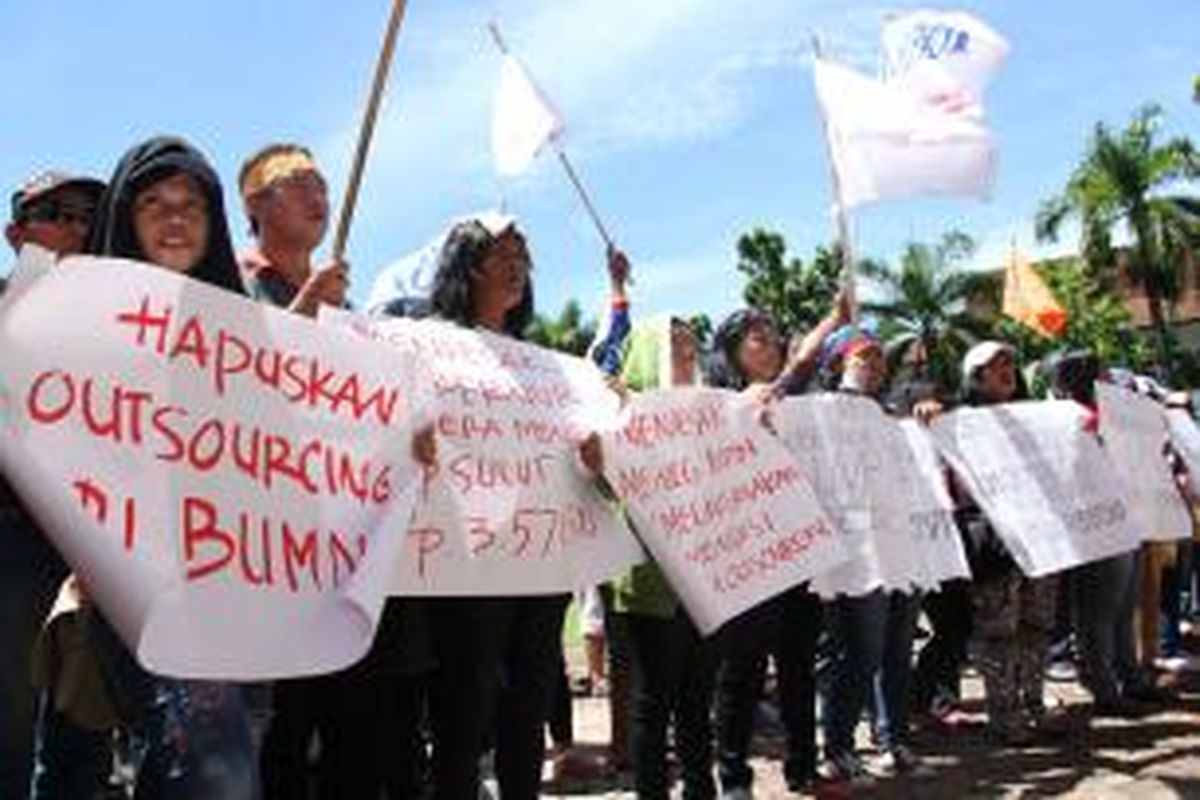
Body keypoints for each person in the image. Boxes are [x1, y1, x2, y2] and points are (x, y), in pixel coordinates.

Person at [239, 141, 434, 799]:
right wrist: (304, 315)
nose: (319, 196)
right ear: (256, 205)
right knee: (284, 734)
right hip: (271, 555)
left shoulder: (349, 317)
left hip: (344, 552)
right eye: (298, 184)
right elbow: (233, 389)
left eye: (323, 184)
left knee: (357, 730)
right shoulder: (233, 282)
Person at [86, 135, 257, 799]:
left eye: (192, 203)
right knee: (217, 763)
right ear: (124, 219)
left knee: (209, 756)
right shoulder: (81, 326)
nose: (175, 216)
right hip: (142, 587)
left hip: (244, 584)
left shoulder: (252, 340)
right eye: (154, 202)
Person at [421, 213, 576, 800]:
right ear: (466, 266)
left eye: (523, 256)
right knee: (464, 707)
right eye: (500, 253)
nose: (516, 266)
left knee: (527, 703)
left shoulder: (546, 368)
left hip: (538, 558)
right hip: (467, 562)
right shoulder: (427, 344)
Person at [704, 298, 847, 797]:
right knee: (741, 671)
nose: (771, 345)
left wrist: (834, 319)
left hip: (798, 553)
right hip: (747, 556)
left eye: (773, 336)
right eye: (757, 338)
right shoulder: (710, 407)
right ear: (731, 351)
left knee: (798, 666)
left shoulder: (789, 397)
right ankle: (734, 777)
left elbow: (804, 360)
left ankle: (803, 768)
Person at [2, 170, 104, 798]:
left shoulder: (126, 318)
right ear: (16, 234)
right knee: (11, 719)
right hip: (14, 541)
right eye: (58, 213)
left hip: (97, 545)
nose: (76, 228)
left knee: (85, 721)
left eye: (89, 215)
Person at [817, 328, 921, 785]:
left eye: (880, 357)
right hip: (857, 554)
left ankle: (892, 737)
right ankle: (837, 745)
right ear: (839, 362)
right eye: (864, 356)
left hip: (902, 545)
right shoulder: (820, 412)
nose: (876, 364)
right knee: (861, 650)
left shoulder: (894, 413)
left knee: (898, 647)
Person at [952, 342, 1066, 744]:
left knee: (1037, 625)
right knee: (999, 632)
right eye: (993, 365)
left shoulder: (1034, 418)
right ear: (975, 376)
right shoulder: (957, 421)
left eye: (1009, 363)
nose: (1006, 370)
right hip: (995, 544)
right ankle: (1004, 716)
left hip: (1041, 538)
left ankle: (1033, 705)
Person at [237, 143, 347, 316]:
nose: (317, 199)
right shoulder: (225, 283)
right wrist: (308, 311)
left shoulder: (339, 304)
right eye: (300, 186)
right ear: (255, 204)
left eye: (322, 189)